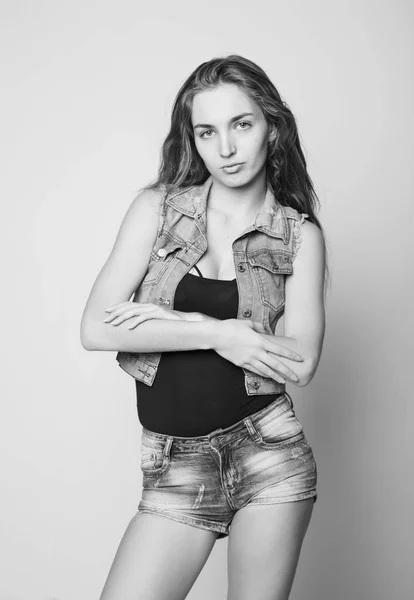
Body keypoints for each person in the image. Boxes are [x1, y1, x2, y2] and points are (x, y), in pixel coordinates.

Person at [81, 54, 328, 600]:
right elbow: (97, 327)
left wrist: (179, 321)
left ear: (272, 128)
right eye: (207, 131)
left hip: (268, 454)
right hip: (175, 464)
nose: (227, 148)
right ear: (192, 139)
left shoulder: (299, 237)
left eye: (242, 124)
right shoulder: (156, 211)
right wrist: (219, 332)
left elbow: (301, 362)